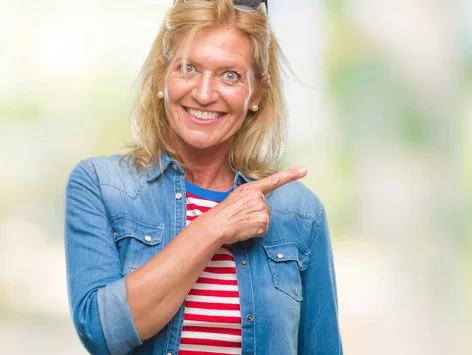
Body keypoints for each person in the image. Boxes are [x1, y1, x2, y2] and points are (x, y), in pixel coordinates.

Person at [64, 0, 342, 354]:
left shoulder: (301, 212)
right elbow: (102, 333)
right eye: (188, 68)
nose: (205, 94)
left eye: (230, 75)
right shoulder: (101, 186)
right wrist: (214, 226)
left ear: (255, 93)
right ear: (162, 75)